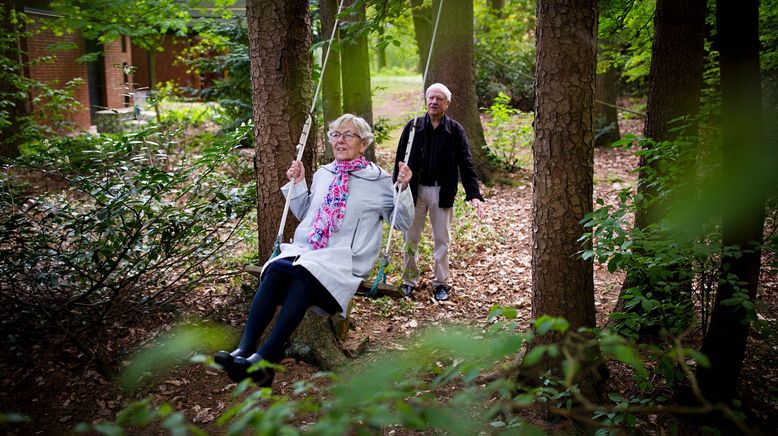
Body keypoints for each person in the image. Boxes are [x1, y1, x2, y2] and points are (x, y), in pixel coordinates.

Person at [216, 114, 414, 386]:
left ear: (364, 143)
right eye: (335, 135)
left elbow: (401, 223)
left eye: (348, 135)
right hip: (309, 253)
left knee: (299, 274)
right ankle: (247, 349)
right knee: (276, 270)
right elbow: (307, 215)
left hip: (345, 260)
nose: (340, 140)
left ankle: (265, 358)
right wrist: (298, 184)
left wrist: (403, 189)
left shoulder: (379, 181)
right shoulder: (323, 174)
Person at [393, 83, 484, 302]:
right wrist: (396, 189)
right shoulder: (413, 127)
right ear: (426, 101)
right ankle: (409, 281)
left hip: (441, 192)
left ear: (447, 104)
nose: (434, 102)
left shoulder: (455, 130)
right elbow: (399, 160)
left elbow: (466, 163)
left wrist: (473, 193)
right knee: (410, 239)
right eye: (431, 98)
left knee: (442, 239)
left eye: (439, 99)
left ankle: (441, 283)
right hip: (414, 191)